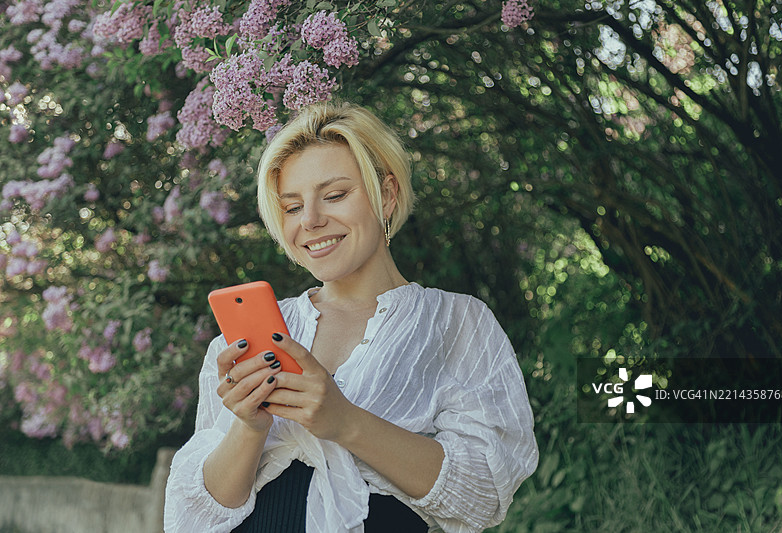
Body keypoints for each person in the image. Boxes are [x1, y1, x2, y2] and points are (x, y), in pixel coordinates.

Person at [164, 101, 538, 533]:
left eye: (335, 195)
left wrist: (345, 422)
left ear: (387, 195)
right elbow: (193, 519)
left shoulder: (457, 323)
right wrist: (250, 427)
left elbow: (483, 495)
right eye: (291, 206)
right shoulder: (238, 343)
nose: (311, 220)